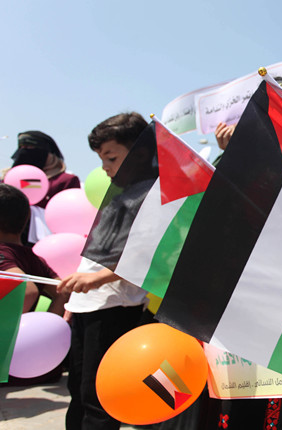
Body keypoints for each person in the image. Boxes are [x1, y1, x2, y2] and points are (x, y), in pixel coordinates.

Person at [57, 112, 151, 430]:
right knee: (77, 392)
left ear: (140, 152)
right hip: (87, 306)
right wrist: (73, 302)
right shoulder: (119, 193)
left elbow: (153, 256)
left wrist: (98, 278)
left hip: (115, 308)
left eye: (111, 157)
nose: (105, 167)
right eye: (102, 159)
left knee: (98, 398)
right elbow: (97, 252)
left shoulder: (155, 194)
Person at [0, 183, 66, 314]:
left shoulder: (2, 253)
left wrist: (7, 330)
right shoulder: (33, 258)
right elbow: (63, 292)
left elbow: (26, 291)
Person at [11, 130, 81, 208]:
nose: (23, 151)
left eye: (29, 147)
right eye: (21, 147)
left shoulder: (64, 181)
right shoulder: (7, 180)